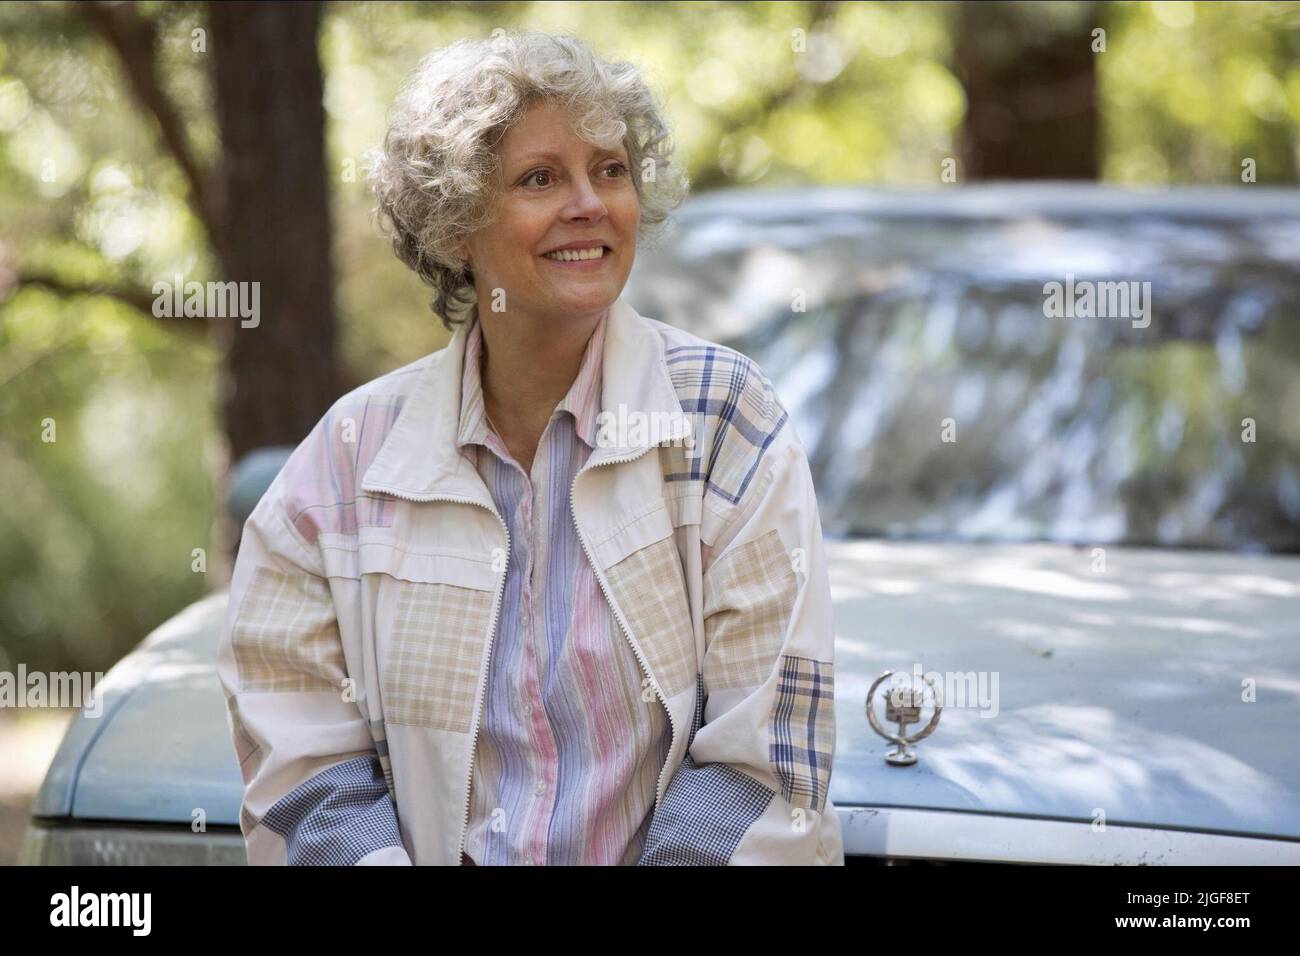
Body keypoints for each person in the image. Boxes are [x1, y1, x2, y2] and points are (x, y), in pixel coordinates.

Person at [216, 30, 843, 866]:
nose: (590, 203)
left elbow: (765, 752)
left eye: (610, 170)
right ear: (454, 229)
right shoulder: (346, 459)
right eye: (541, 178)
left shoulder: (725, 419)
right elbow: (302, 762)